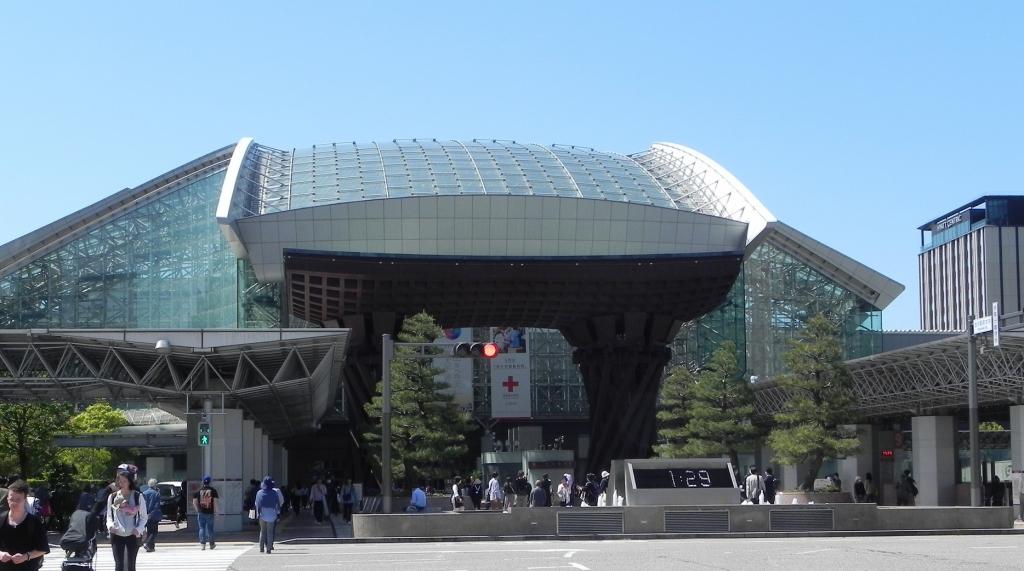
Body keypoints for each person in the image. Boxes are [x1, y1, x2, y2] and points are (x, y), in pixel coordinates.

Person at [0, 480, 49, 571]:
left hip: (28, 567)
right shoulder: (1, 519)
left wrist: (26, 556)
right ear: (7, 499)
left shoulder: (34, 522)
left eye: (18, 499)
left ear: (25, 499)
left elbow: (43, 548)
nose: (14, 503)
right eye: (11, 499)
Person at [107, 467, 147, 571]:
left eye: (124, 481)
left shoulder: (138, 496)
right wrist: (110, 526)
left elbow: (144, 517)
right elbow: (109, 515)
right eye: (120, 481)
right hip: (117, 533)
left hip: (132, 534)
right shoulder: (112, 497)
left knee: (131, 565)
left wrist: (138, 529)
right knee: (119, 565)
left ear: (130, 481)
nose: (122, 483)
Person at [255, 476, 283, 554]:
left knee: (262, 531)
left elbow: (257, 504)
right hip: (272, 514)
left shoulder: (259, 493)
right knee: (270, 532)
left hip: (262, 514)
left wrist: (258, 514)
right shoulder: (274, 493)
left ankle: (261, 548)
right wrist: (278, 514)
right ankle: (269, 549)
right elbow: (278, 504)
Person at [192, 475, 219, 550]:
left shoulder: (198, 491)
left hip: (201, 513)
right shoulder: (213, 491)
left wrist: (198, 510)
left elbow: (194, 502)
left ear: (203, 482)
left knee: (202, 528)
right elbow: (215, 502)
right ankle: (211, 544)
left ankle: (203, 544)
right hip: (210, 512)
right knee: (210, 528)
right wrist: (216, 512)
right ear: (210, 482)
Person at [140, 478, 162, 552]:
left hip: (145, 514)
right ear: (155, 485)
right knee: (153, 531)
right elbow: (157, 505)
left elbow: (141, 504)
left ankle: (151, 547)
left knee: (148, 530)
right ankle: (148, 544)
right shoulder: (156, 493)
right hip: (153, 514)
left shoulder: (144, 493)